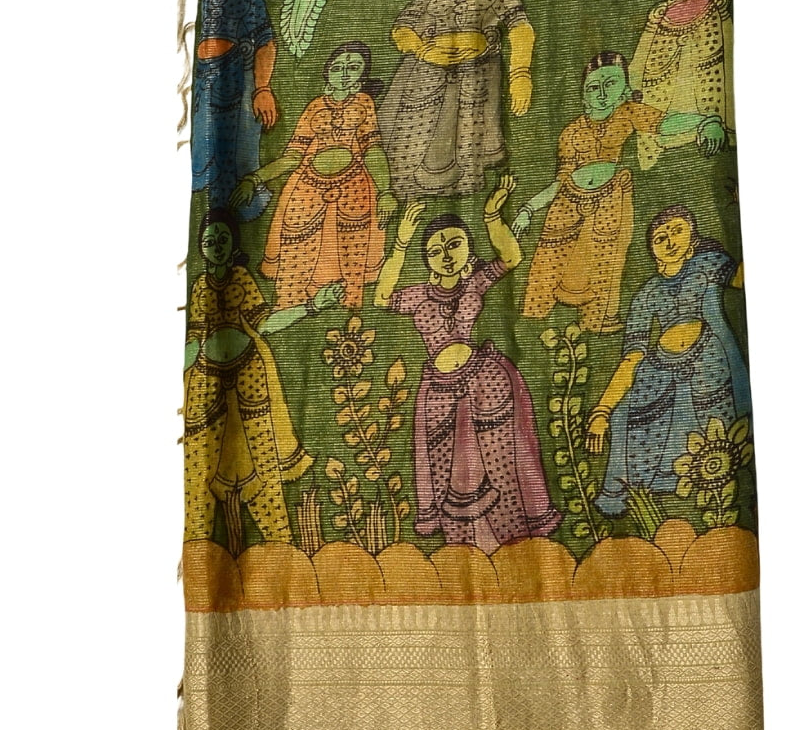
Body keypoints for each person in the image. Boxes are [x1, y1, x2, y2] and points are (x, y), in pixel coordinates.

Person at [374, 177, 561, 553]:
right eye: (435, 250)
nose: (446, 255)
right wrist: (402, 242)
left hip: (486, 383)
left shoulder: (475, 283)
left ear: (468, 248)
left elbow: (511, 258)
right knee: (449, 472)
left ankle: (513, 542)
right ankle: (465, 548)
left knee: (500, 462)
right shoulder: (417, 296)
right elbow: (381, 296)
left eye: (454, 244)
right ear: (427, 261)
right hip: (440, 394)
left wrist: (492, 215)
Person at [514, 52, 723, 334]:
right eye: (593, 87)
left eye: (610, 84)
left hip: (610, 198)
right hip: (567, 201)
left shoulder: (627, 113)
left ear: (625, 88)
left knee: (606, 257)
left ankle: (596, 321)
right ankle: (534, 316)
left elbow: (664, 123)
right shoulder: (571, 132)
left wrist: (705, 122)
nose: (601, 94)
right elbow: (560, 181)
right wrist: (528, 209)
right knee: (549, 256)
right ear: (583, 95)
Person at [183, 210, 337, 546]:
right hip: (206, 387)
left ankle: (280, 545)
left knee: (264, 464)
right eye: (209, 241)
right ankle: (200, 544)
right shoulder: (199, 286)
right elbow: (193, 340)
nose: (217, 246)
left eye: (223, 238)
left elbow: (266, 323)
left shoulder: (241, 278)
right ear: (200, 247)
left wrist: (312, 306)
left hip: (250, 382)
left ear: (234, 242)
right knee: (199, 468)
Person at [585, 205, 751, 518]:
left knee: (716, 439)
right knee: (623, 414)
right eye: (660, 238)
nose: (670, 241)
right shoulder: (647, 294)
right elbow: (631, 358)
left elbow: (743, 279)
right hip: (657, 372)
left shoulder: (707, 265)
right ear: (652, 250)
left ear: (692, 239)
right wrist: (602, 411)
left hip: (707, 362)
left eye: (677, 231)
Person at [377, 0, 535, 199]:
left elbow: (519, 26)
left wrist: (520, 74)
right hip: (424, 72)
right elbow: (403, 26)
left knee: (462, 138)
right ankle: (402, 196)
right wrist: (420, 48)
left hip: (475, 73)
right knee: (412, 137)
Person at [231, 42, 396, 313]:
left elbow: (372, 150)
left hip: (354, 189)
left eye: (354, 67)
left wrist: (386, 191)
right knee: (296, 247)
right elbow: (293, 156)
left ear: (363, 75)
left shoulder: (364, 103)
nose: (344, 73)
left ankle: (348, 312)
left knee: (351, 251)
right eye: (338, 67)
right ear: (327, 72)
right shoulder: (315, 106)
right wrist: (255, 179)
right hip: (306, 189)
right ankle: (290, 307)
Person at [599, 0, 731, 169]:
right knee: (653, 90)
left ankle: (712, 147)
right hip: (665, 32)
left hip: (706, 27)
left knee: (709, 88)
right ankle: (657, 155)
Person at [191, 0, 280, 219]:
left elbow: (266, 42)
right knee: (204, 153)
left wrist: (263, 88)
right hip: (204, 84)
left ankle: (241, 221)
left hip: (238, 81)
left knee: (238, 156)